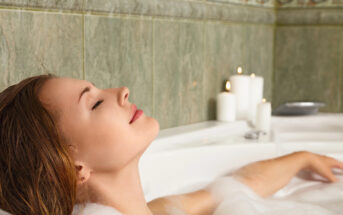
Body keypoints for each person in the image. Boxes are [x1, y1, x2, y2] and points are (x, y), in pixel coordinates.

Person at [0, 74, 342, 215]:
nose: (121, 92)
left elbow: (237, 185)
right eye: (95, 103)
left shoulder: (153, 210)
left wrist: (303, 158)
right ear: (75, 167)